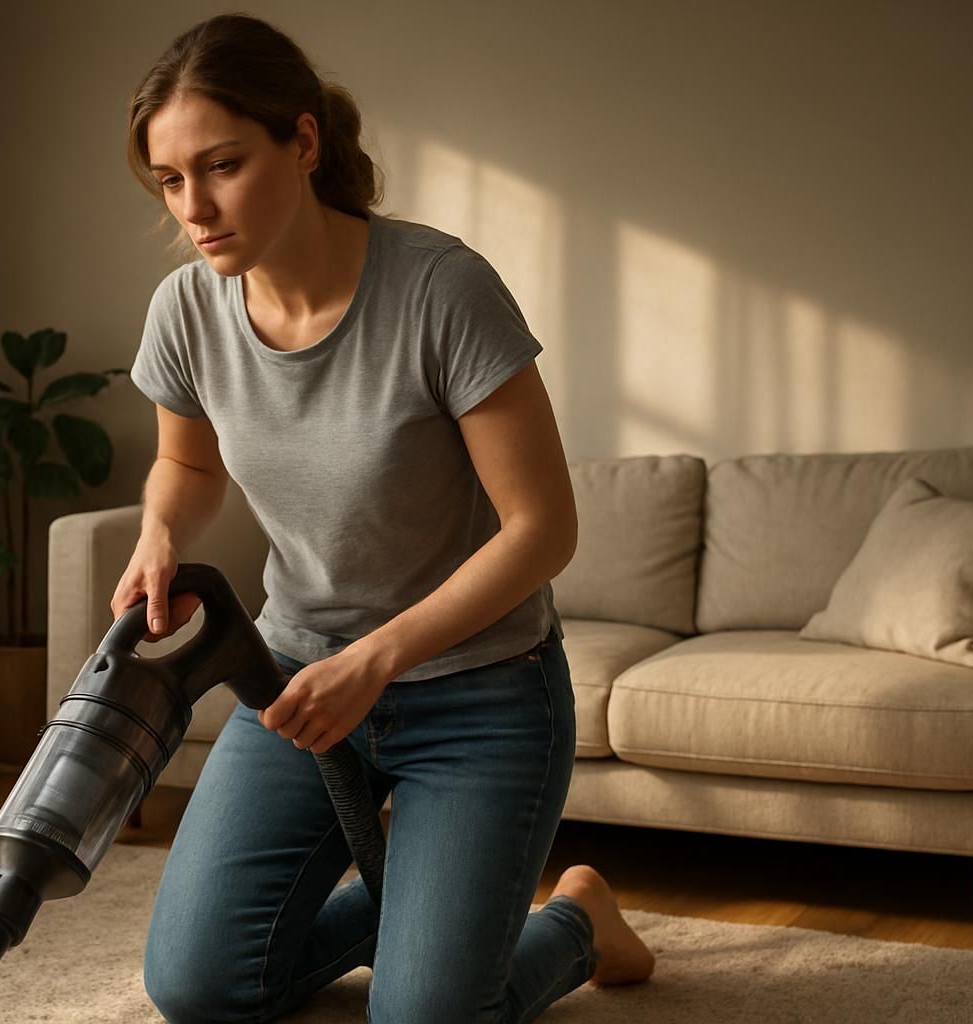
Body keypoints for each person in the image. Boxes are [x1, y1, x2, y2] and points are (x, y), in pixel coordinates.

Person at [112, 13, 655, 1023]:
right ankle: (435, 916)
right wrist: (160, 533)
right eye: (171, 181)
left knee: (423, 1018)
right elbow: (185, 464)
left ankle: (576, 919)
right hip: (297, 683)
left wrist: (380, 659)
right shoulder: (186, 310)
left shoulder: (442, 289)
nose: (196, 207)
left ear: (303, 143)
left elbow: (543, 529)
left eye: (221, 165)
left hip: (480, 695)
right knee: (198, 985)